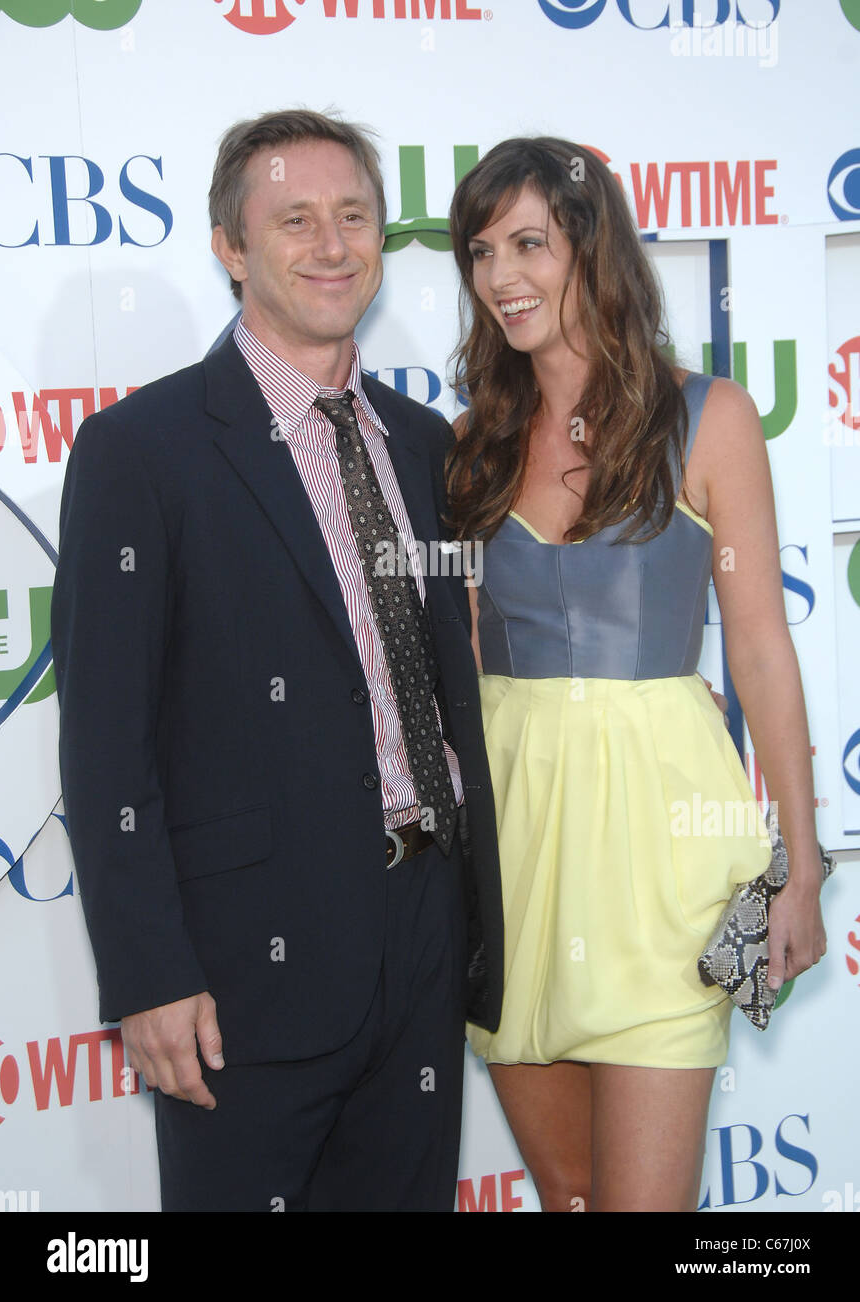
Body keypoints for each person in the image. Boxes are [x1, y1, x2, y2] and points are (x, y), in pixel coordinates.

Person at [50, 108, 503, 1212]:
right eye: (292, 218)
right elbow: (106, 747)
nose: (331, 244)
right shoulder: (138, 451)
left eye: (352, 215)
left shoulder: (426, 444)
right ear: (230, 247)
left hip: (424, 939)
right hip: (244, 969)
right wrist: (150, 974)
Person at [445, 136, 827, 1213]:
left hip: (663, 849)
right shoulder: (471, 442)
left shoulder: (709, 417)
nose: (500, 276)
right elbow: (458, 661)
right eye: (479, 252)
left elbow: (757, 647)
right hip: (516, 854)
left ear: (591, 245)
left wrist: (801, 866)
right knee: (567, 1193)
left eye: (528, 243)